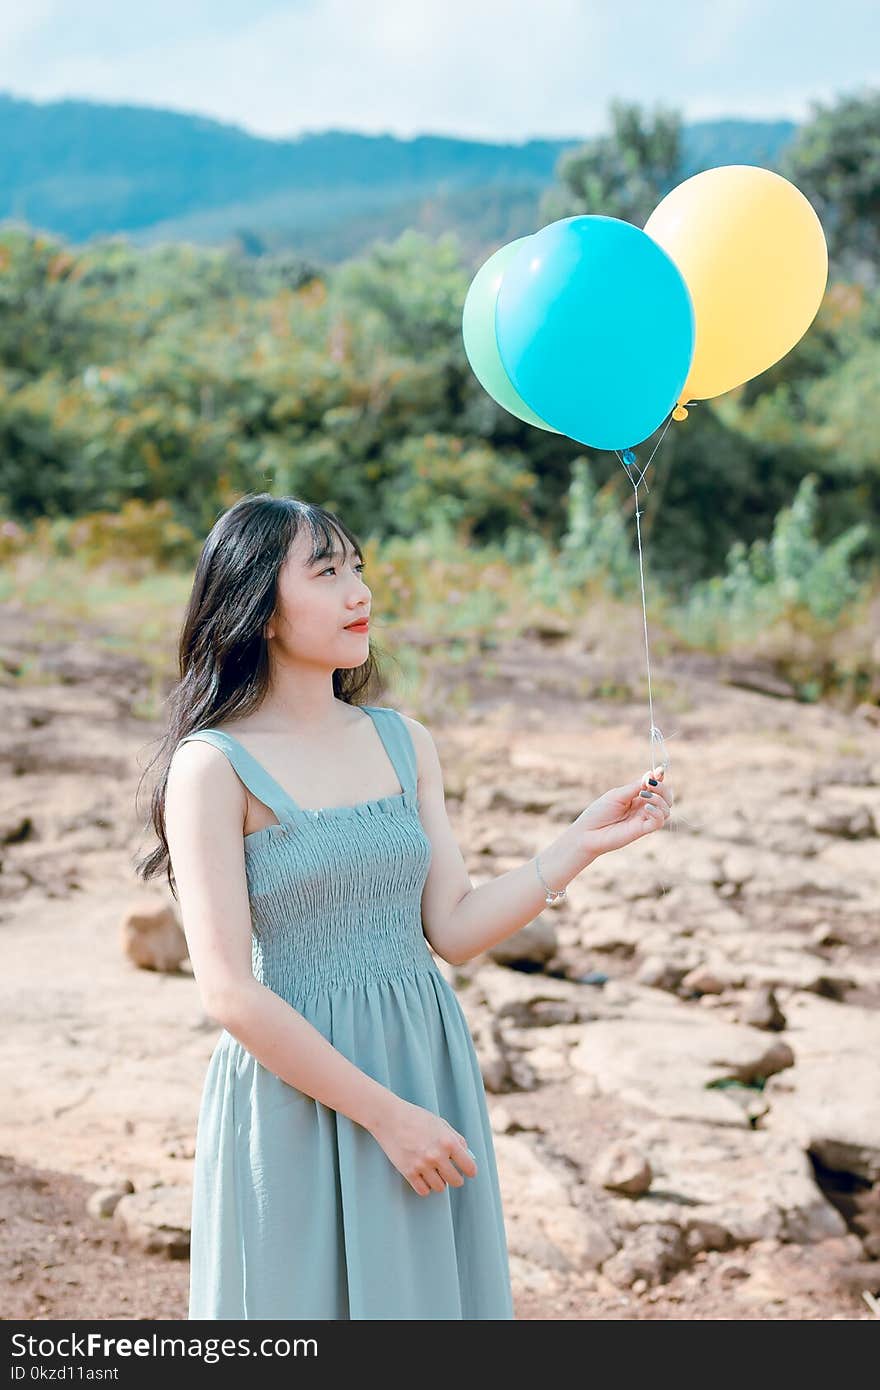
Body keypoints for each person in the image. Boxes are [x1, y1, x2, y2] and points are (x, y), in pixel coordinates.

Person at [135, 492, 672, 1320]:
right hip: (302, 1084)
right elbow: (229, 994)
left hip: (423, 1059)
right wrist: (388, 1118)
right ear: (258, 607)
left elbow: (451, 928)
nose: (360, 594)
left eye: (358, 570)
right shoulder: (213, 767)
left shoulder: (402, 740)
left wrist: (578, 845)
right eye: (327, 573)